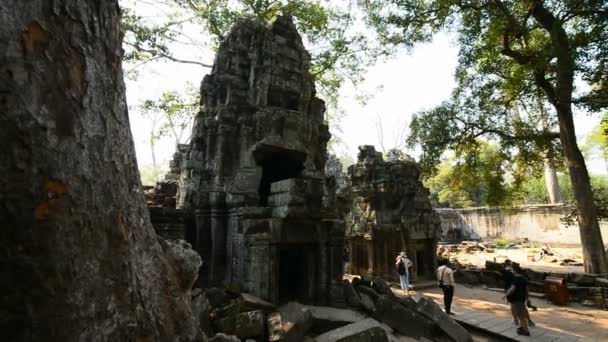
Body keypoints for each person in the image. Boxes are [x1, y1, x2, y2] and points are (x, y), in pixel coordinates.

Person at [503, 264, 531, 336]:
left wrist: (506, 295)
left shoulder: (515, 279)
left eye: (512, 270)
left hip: (517, 299)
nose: (511, 271)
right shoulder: (524, 279)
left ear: (515, 271)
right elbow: (527, 290)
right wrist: (528, 298)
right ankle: (521, 327)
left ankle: (526, 331)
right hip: (522, 298)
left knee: (521, 316)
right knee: (520, 313)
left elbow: (512, 289)